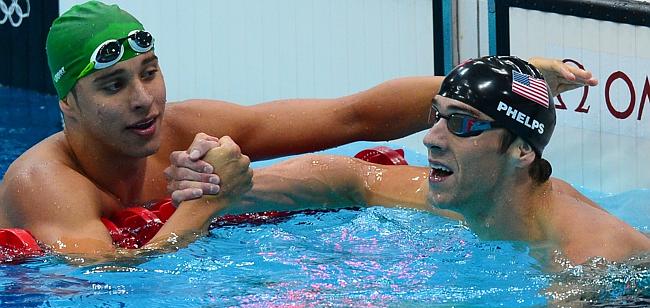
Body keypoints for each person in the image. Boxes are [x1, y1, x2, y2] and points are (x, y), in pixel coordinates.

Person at [0, 1, 594, 261]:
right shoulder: (45, 183)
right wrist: (212, 203)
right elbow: (105, 289)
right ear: (68, 104)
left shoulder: (185, 126)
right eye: (112, 86)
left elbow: (351, 116)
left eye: (149, 74)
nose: (143, 101)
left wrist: (511, 80)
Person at [199, 56, 650, 265]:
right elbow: (351, 177)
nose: (431, 138)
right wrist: (231, 186)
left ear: (521, 150)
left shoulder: (587, 259)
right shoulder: (477, 193)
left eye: (462, 123)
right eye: (438, 115)